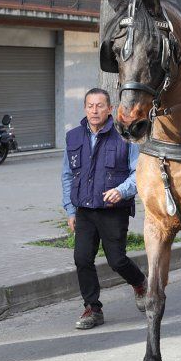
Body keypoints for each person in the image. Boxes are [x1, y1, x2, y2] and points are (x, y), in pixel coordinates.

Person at [62, 88, 147, 330]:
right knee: (82, 259)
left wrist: (122, 190)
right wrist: (70, 209)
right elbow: (67, 175)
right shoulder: (73, 137)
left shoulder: (125, 136)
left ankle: (140, 283)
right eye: (90, 105)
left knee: (117, 260)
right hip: (85, 210)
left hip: (113, 209)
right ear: (85, 109)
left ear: (110, 109)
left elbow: (137, 172)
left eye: (100, 105)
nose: (95, 110)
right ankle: (93, 308)